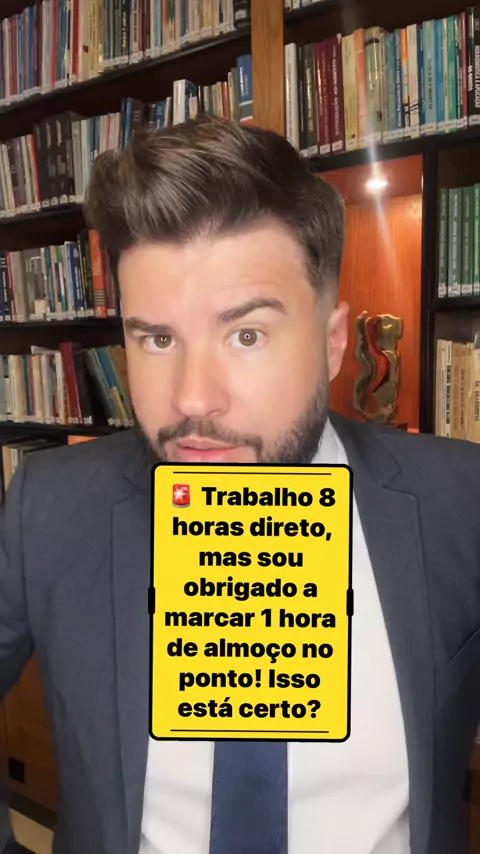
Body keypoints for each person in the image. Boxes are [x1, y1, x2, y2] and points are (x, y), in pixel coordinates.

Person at [1, 114, 480, 854]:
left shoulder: (462, 501)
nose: (194, 398)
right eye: (158, 337)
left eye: (246, 334)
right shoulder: (50, 505)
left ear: (332, 343)